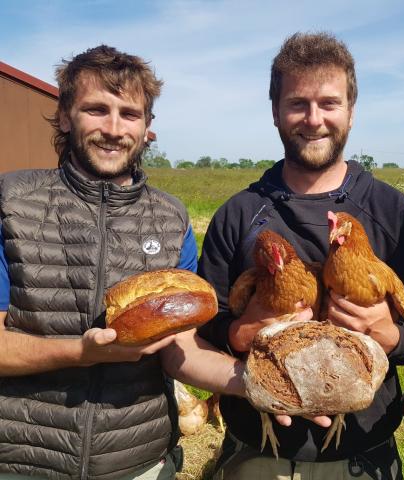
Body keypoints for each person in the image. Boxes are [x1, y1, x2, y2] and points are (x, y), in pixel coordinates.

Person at [0, 45, 243, 479]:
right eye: (96, 110)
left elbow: (180, 348)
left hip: (141, 463)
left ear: (148, 127)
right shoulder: (13, 204)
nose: (114, 129)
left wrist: (254, 384)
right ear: (64, 116)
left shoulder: (171, 218)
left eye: (129, 114)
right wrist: (81, 353)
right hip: (22, 460)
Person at [195, 32, 404, 479]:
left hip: (362, 453)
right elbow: (208, 324)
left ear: (351, 111)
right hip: (259, 452)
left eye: (329, 103)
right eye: (298, 103)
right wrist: (240, 332)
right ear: (276, 112)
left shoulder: (394, 213)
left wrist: (393, 335)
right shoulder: (239, 213)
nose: (314, 119)